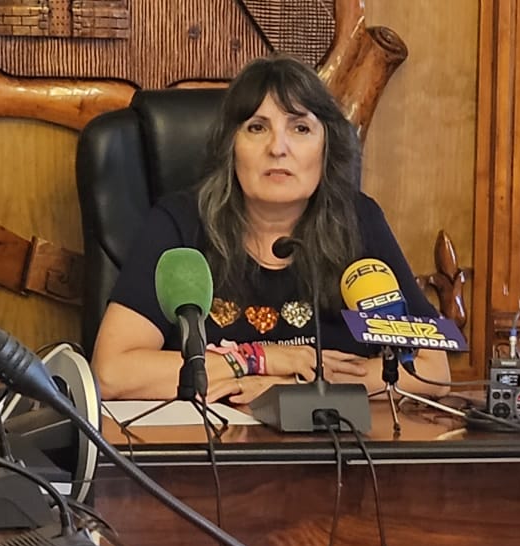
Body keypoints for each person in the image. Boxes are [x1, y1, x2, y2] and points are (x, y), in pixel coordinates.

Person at [92, 57, 451, 403]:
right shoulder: (181, 223)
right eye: (257, 128)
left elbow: (431, 370)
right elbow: (112, 373)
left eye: (300, 128)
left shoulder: (358, 220)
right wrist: (258, 360)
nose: (278, 148)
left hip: (334, 446)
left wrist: (293, 390)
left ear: (327, 148)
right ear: (231, 146)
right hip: (213, 446)